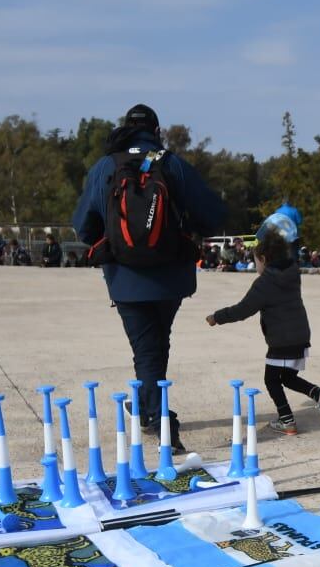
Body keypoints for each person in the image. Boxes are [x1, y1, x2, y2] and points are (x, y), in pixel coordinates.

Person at [72, 103, 227, 451]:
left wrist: (113, 239)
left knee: (147, 348)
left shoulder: (104, 167)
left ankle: (157, 420)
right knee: (155, 345)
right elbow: (214, 215)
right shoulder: (171, 164)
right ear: (156, 132)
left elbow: (83, 227)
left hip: (125, 278)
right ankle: (151, 413)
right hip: (171, 276)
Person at [205, 210, 320, 436]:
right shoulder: (292, 272)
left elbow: (242, 310)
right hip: (300, 335)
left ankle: (287, 421)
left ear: (263, 259)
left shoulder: (265, 283)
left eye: (256, 260)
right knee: (286, 377)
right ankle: (319, 394)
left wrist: (217, 317)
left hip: (281, 339)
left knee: (271, 380)